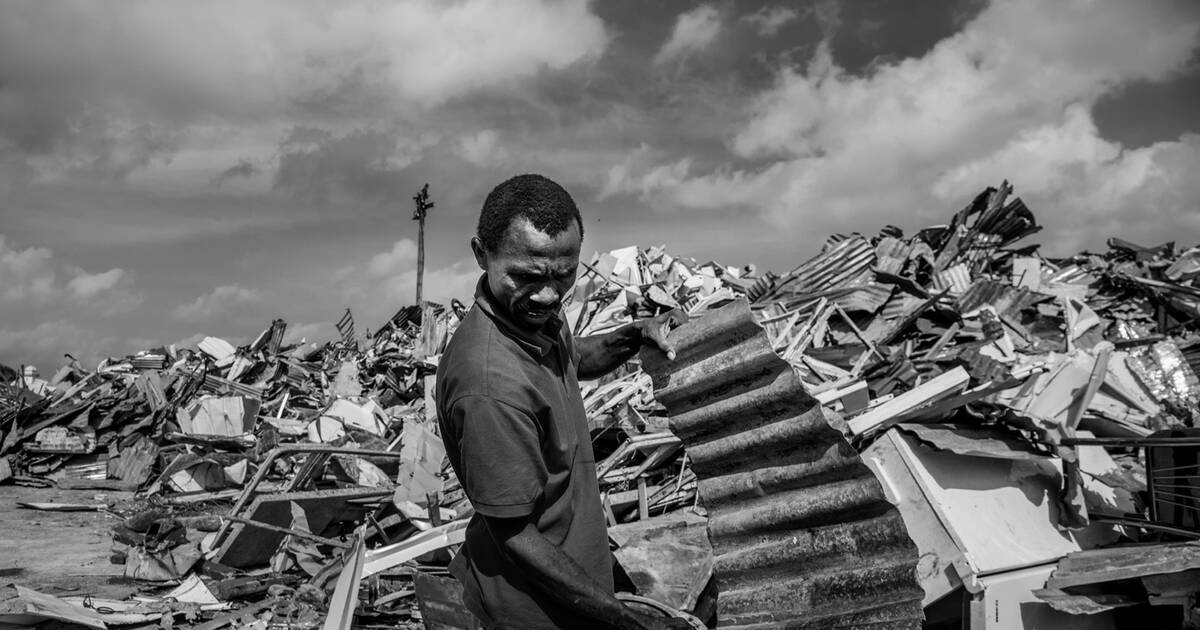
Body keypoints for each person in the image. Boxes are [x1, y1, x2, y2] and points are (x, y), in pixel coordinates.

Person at [436, 174, 692, 630]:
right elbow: (514, 536)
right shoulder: (490, 386)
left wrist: (635, 334)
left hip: (574, 591)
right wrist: (625, 621)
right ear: (482, 254)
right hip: (530, 612)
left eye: (564, 274)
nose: (549, 295)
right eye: (527, 276)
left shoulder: (532, 320)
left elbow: (576, 356)